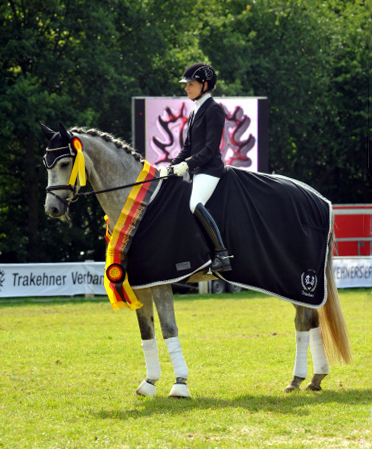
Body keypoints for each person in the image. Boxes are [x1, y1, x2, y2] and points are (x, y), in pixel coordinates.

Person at [161, 63, 233, 272]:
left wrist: (186, 165)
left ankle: (221, 254)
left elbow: (210, 149)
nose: (186, 88)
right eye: (187, 85)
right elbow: (187, 149)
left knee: (194, 204)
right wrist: (169, 168)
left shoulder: (214, 110)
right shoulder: (194, 112)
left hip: (210, 169)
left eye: (190, 84)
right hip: (196, 169)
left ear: (205, 85)